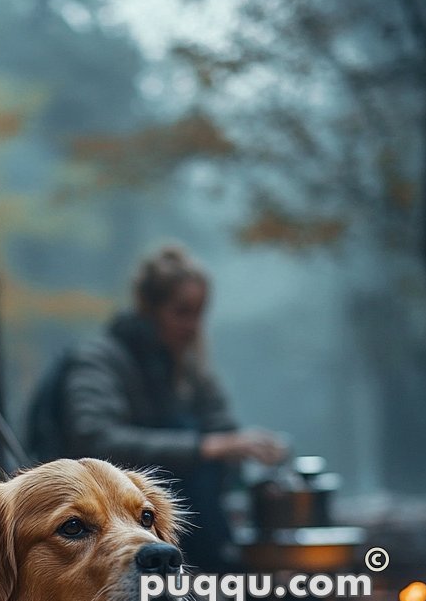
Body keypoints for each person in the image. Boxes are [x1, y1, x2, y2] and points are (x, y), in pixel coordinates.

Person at [51, 244, 287, 571]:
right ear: (149, 308)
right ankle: (218, 569)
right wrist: (203, 447)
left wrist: (254, 476)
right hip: (94, 503)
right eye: (182, 312)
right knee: (186, 432)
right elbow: (95, 440)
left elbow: (222, 430)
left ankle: (225, 572)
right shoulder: (99, 359)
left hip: (163, 505)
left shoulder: (187, 365)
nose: (193, 325)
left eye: (199, 313)